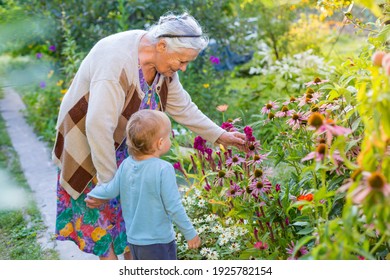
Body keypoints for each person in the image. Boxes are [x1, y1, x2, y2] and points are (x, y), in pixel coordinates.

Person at [52, 11, 245, 260]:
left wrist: (220, 136)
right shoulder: (116, 60)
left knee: (131, 221)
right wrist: (112, 185)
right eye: (181, 60)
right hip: (90, 142)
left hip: (128, 142)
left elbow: (183, 107)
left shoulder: (163, 67)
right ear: (162, 45)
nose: (183, 68)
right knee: (104, 231)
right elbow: (98, 126)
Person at [85, 110, 201, 260]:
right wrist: (190, 233)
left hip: (134, 241)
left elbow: (110, 189)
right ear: (160, 143)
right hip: (159, 242)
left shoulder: (126, 164)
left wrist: (93, 195)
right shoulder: (163, 169)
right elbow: (174, 207)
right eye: (168, 136)